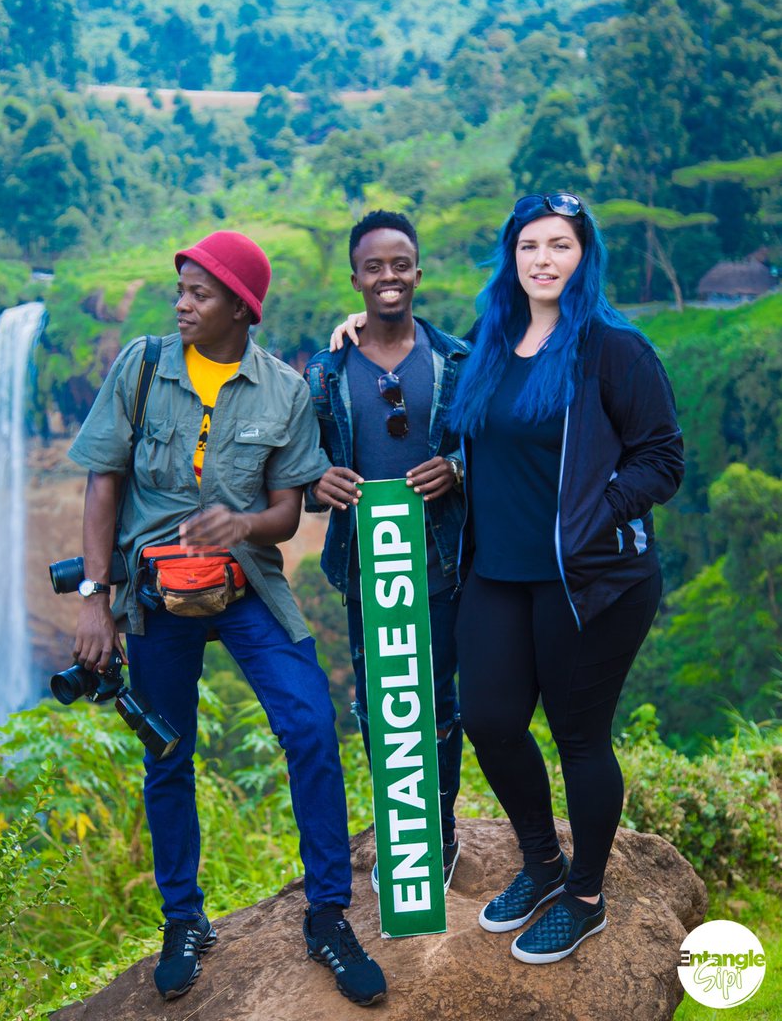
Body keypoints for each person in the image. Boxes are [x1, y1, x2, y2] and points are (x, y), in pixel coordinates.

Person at [67, 231, 387, 1006]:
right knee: (167, 752)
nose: (182, 303)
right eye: (180, 288)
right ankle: (185, 920)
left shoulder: (283, 389)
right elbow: (103, 485)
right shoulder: (142, 367)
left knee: (310, 725)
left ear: (240, 308)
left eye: (200, 293)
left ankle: (327, 916)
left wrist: (239, 526)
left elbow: (287, 511)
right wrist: (94, 600)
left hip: (248, 587)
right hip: (153, 592)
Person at [447, 192, 684, 964]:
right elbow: (454, 408)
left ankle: (585, 897)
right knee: (488, 718)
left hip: (590, 578)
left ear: (585, 258)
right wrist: (352, 336)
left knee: (580, 736)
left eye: (560, 246)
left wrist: (595, 515)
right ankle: (542, 863)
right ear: (510, 258)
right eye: (529, 247)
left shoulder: (614, 348)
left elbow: (661, 458)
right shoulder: (492, 338)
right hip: (499, 571)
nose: (543, 260)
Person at [304, 210, 470, 891]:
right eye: (374, 266)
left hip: (446, 562)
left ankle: (442, 829)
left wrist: (458, 468)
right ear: (355, 278)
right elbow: (296, 465)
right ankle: (404, 836)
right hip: (366, 567)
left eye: (400, 263)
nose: (388, 276)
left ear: (418, 272)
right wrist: (317, 476)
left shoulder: (459, 361)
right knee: (380, 704)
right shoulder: (326, 371)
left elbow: (499, 444)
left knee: (439, 704)